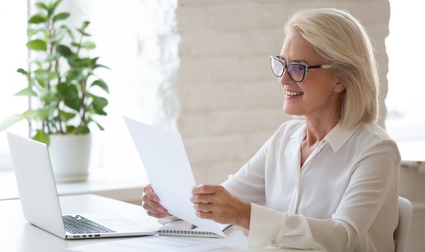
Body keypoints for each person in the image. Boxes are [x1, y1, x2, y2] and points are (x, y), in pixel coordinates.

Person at [142, 8, 400, 252]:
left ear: (341, 78)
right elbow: (227, 200)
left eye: (298, 68)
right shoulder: (285, 137)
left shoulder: (376, 150)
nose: (283, 79)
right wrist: (171, 204)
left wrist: (243, 214)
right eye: (281, 63)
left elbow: (341, 237)